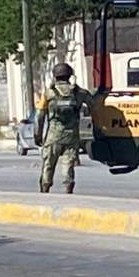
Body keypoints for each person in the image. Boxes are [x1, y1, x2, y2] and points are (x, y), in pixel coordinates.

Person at [35, 63, 94, 194]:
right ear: (70, 75)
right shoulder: (79, 93)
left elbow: (39, 116)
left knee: (48, 163)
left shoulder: (49, 93)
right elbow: (93, 105)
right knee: (69, 162)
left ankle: (45, 187)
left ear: (55, 76)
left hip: (54, 135)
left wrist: (37, 135)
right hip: (72, 134)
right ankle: (68, 187)